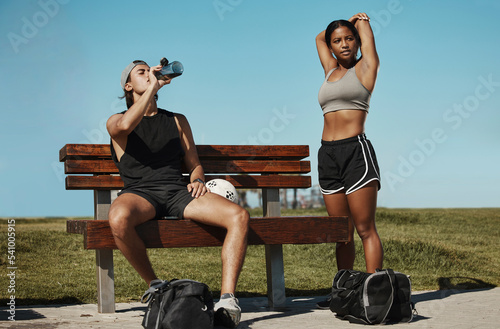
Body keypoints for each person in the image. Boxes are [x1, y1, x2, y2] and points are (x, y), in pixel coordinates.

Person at [106, 59, 249, 328]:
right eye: (142, 72)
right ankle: (157, 287)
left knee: (238, 216)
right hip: (140, 193)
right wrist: (154, 84)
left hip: (176, 192)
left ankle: (228, 300)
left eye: (151, 70)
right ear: (128, 85)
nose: (149, 73)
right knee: (118, 218)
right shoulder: (116, 121)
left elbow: (194, 162)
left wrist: (197, 179)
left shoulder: (176, 120)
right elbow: (125, 126)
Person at [315, 12, 384, 303]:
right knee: (341, 232)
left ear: (356, 42)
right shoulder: (330, 69)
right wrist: (337, 27)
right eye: (337, 40)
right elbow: (318, 38)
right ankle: (343, 294)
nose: (343, 44)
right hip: (327, 155)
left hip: (355, 152)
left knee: (364, 228)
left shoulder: (366, 67)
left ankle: (374, 293)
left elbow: (366, 39)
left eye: (348, 39)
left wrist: (360, 22)